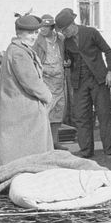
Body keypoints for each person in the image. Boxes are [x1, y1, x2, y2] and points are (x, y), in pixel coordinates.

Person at [55, 7, 111, 159]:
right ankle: (86, 151)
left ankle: (109, 151)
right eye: (61, 31)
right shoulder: (67, 42)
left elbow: (108, 51)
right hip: (80, 82)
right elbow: (69, 60)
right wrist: (68, 63)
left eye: (65, 30)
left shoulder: (91, 32)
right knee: (81, 116)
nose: (64, 33)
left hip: (99, 80)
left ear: (72, 24)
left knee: (104, 115)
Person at [0, 14, 54, 165]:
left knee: (21, 156)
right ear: (19, 33)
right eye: (29, 33)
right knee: (29, 158)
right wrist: (48, 96)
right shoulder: (19, 53)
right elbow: (31, 82)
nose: (33, 36)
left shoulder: (19, 49)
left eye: (35, 32)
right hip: (24, 113)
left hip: (21, 111)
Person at [34, 13, 69, 150]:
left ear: (52, 27)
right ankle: (44, 144)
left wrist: (67, 62)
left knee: (58, 114)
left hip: (59, 81)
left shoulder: (60, 39)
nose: (43, 29)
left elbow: (64, 54)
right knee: (45, 113)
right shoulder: (37, 41)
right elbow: (34, 61)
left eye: (46, 26)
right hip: (46, 82)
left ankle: (55, 142)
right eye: (41, 26)